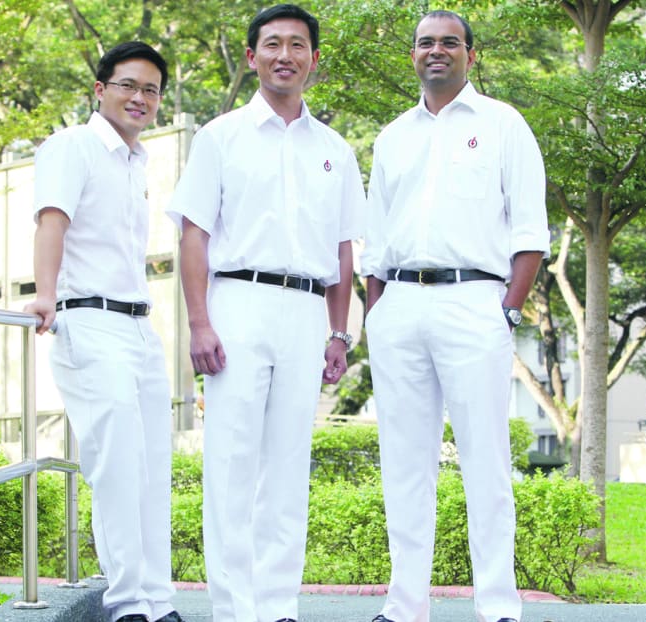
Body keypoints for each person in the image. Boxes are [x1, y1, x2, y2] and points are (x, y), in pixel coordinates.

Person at [166, 4, 364, 621]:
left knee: (288, 463)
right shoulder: (219, 137)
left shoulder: (336, 149)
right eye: (272, 44)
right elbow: (193, 236)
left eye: (298, 45)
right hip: (238, 304)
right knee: (231, 459)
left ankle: (280, 607)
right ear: (252, 56)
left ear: (313, 59)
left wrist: (340, 330)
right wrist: (199, 322)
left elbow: (342, 250)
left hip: (308, 313)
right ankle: (233, 609)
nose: (286, 55)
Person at [361, 10, 550, 622]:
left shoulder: (503, 125)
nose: (435, 51)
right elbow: (376, 239)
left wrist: (509, 311)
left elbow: (530, 231)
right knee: (404, 464)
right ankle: (403, 606)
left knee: (485, 461)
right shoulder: (392, 137)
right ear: (413, 55)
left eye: (449, 42)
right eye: (425, 43)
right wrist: (375, 313)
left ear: (472, 54)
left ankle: (498, 607)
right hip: (400, 305)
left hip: (476, 302)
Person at [23, 42, 184, 622]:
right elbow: (52, 221)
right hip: (87, 319)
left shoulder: (137, 161)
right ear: (100, 89)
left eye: (151, 90)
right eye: (128, 85)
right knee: (116, 465)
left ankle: (157, 599)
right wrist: (44, 295)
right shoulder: (73, 146)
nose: (140, 98)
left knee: (150, 467)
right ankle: (126, 604)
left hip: (139, 327)